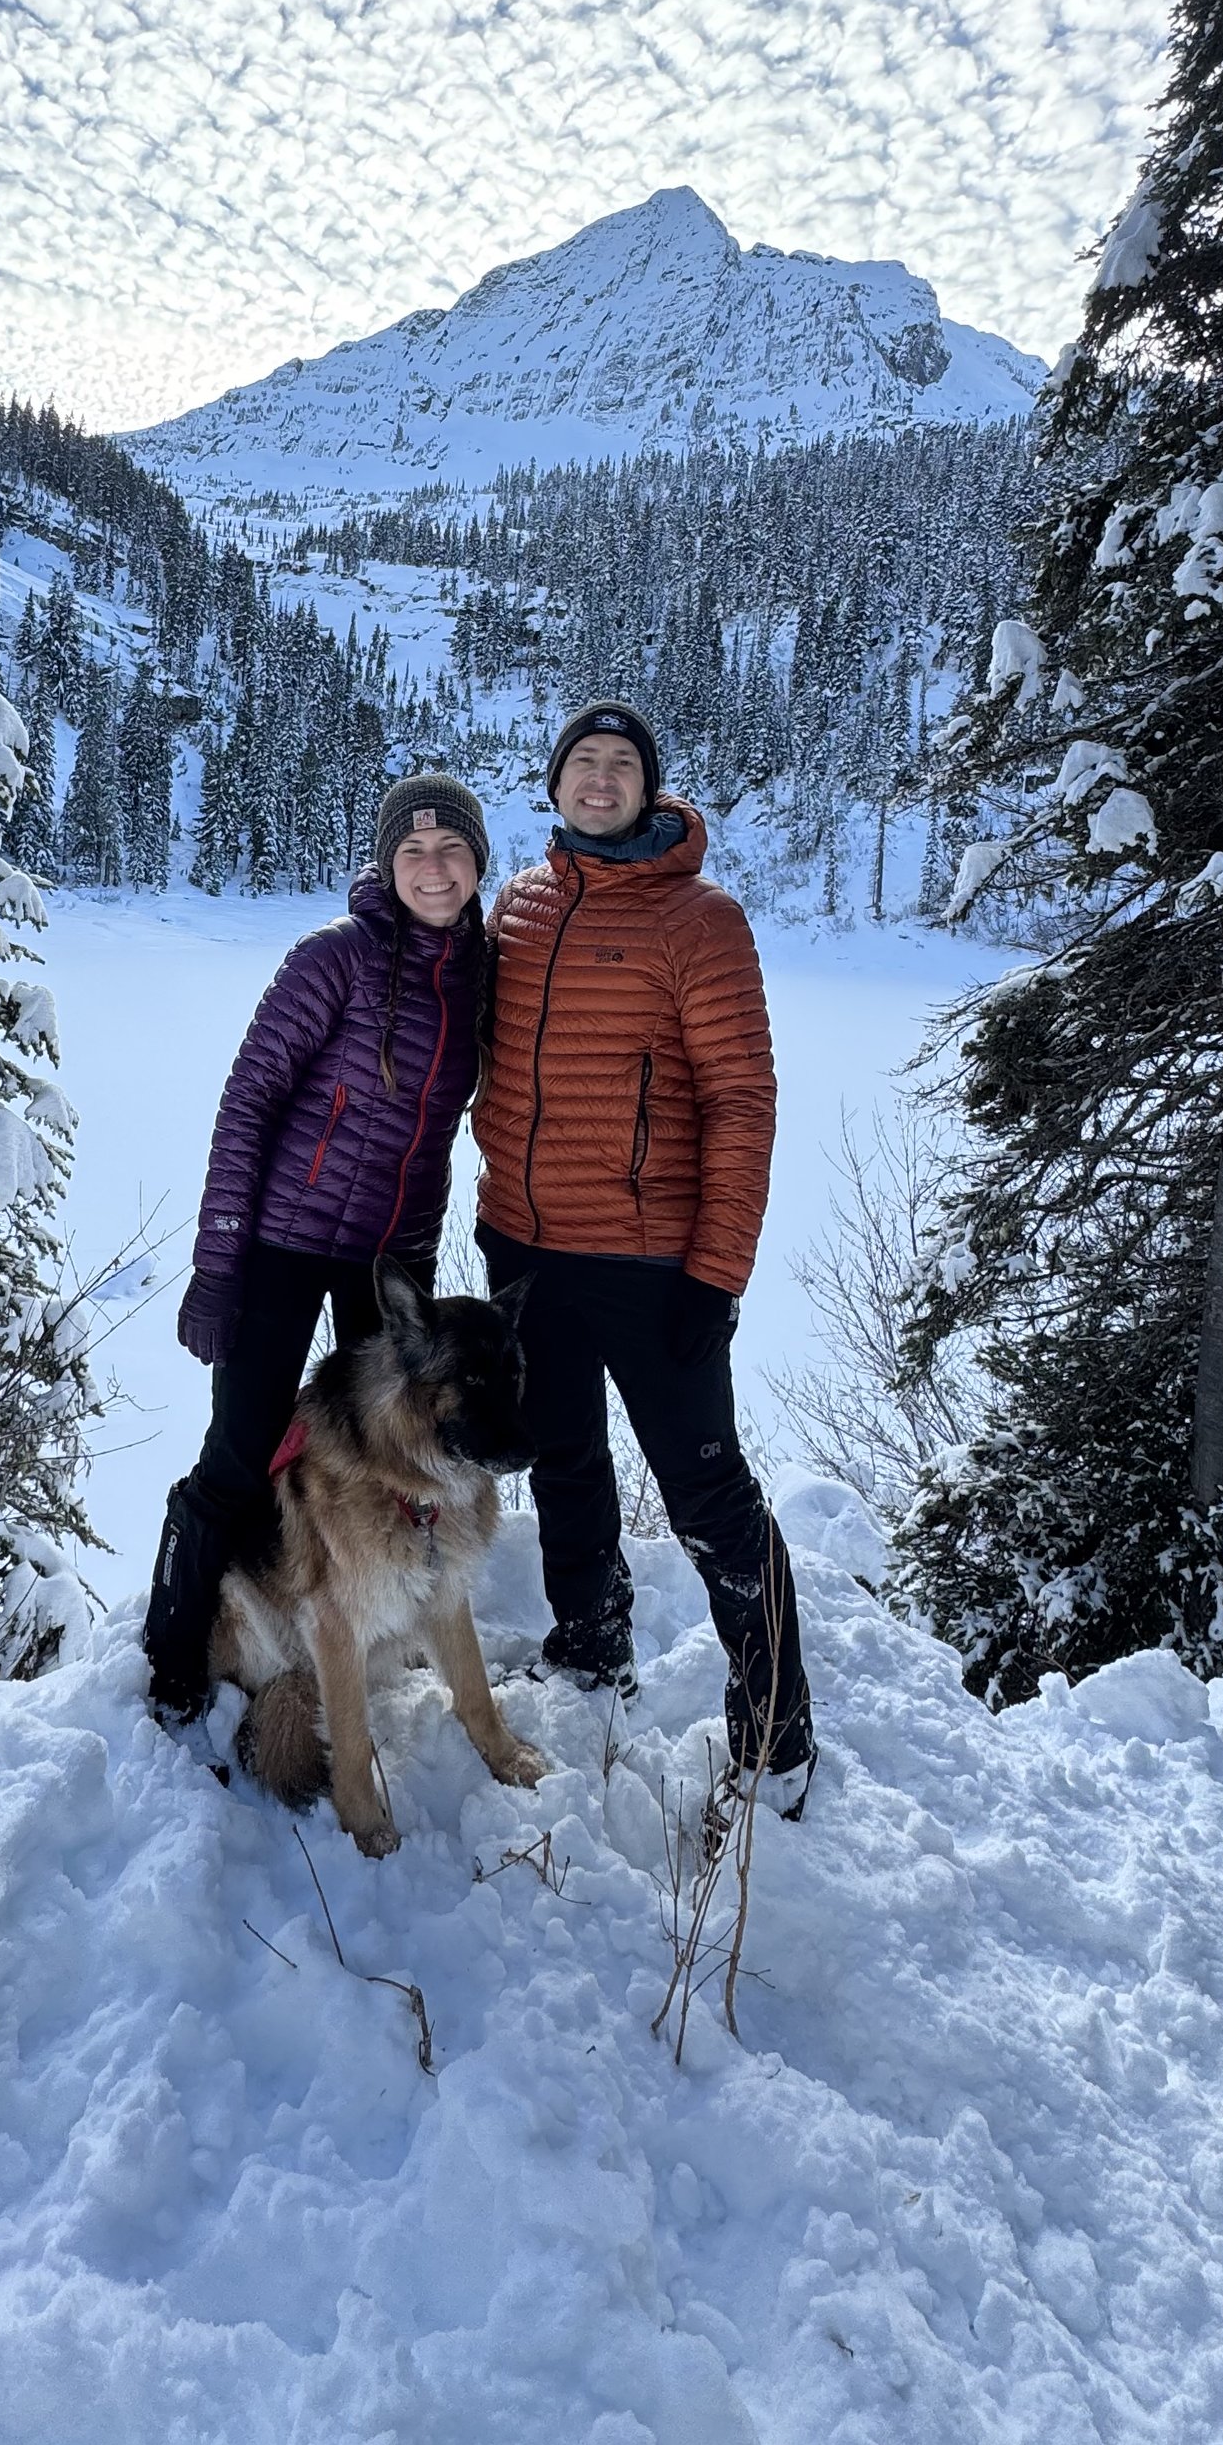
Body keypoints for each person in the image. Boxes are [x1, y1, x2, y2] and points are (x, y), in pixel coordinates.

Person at [474, 701, 815, 1805]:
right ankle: (588, 1641)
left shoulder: (698, 920)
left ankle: (776, 1737)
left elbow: (742, 1101)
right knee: (565, 1461)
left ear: (649, 787)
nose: (601, 780)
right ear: (554, 784)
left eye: (622, 765)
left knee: (708, 1497)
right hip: (524, 1247)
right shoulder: (519, 908)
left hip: (650, 1260)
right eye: (583, 763)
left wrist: (715, 1275)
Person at [143, 773, 492, 1721]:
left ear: (477, 866)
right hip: (285, 1246)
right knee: (244, 1450)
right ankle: (174, 1658)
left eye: (452, 850)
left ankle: (365, 1614)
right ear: (387, 863)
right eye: (413, 851)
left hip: (392, 1263)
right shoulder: (332, 960)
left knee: (392, 1453)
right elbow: (246, 1102)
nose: (433, 867)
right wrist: (219, 1263)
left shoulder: (479, 975)